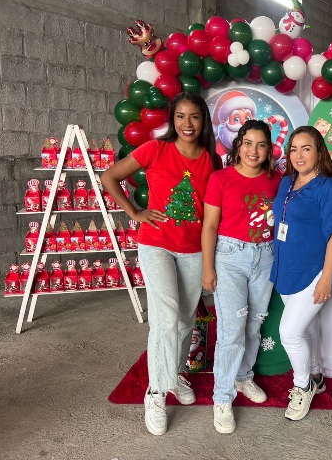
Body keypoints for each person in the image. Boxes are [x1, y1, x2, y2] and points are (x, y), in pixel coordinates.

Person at [101, 91, 222, 436]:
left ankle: (174, 375)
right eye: (180, 116)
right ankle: (155, 392)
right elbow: (110, 177)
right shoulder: (155, 149)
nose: (187, 123)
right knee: (166, 318)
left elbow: (213, 211)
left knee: (184, 320)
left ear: (203, 120)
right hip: (157, 246)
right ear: (173, 120)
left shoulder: (211, 160)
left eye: (194, 116)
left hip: (194, 250)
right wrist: (134, 212)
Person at [201, 119, 281, 434]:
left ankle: (243, 376)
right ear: (239, 145)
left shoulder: (276, 180)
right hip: (229, 258)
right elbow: (210, 226)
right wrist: (208, 268)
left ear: (268, 149)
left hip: (265, 256)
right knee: (231, 331)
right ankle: (222, 398)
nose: (253, 151)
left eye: (261, 145)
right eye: (248, 143)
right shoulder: (220, 179)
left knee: (253, 325)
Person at [270, 126, 332, 421]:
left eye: (306, 148)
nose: (299, 155)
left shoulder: (329, 187)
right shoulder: (287, 182)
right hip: (286, 268)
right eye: (294, 149)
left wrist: (327, 277)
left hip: (314, 271)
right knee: (306, 327)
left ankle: (302, 386)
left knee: (289, 333)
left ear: (319, 152)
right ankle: (316, 376)